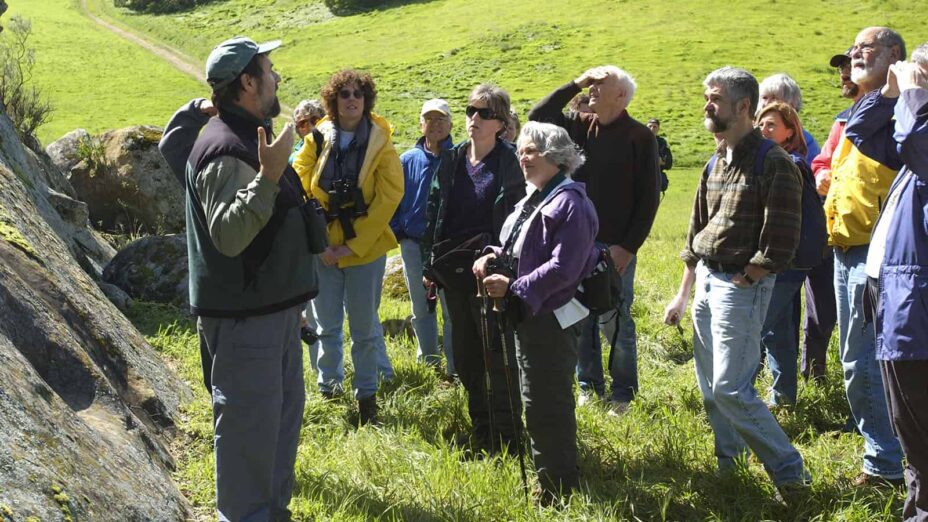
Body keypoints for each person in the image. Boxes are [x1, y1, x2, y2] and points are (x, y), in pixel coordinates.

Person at [182, 36, 318, 521]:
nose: (277, 77)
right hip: (245, 323)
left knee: (276, 430)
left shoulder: (245, 135)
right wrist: (269, 175)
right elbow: (230, 235)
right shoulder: (223, 148)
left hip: (270, 313)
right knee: (248, 438)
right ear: (247, 82)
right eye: (270, 69)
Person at [663, 66, 810, 498]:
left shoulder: (774, 161)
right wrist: (686, 289)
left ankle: (791, 474)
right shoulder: (715, 160)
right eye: (707, 97)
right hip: (709, 281)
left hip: (740, 287)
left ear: (743, 106)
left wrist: (752, 274)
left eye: (715, 98)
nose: (707, 105)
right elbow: (696, 230)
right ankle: (731, 470)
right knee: (711, 391)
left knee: (731, 388)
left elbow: (784, 233)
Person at [474, 121, 599, 503]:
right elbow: (520, 249)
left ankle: (557, 489)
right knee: (535, 397)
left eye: (531, 151)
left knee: (546, 402)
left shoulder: (570, 202)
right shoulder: (539, 196)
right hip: (531, 313)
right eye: (521, 150)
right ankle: (550, 478)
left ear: (556, 158)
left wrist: (514, 288)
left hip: (550, 317)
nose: (522, 157)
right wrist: (493, 257)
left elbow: (565, 268)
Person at [528, 65, 660, 413]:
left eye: (602, 86)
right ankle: (589, 387)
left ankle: (623, 393)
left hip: (615, 247)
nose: (593, 91)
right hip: (576, 243)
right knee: (579, 317)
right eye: (592, 86)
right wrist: (577, 82)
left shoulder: (640, 138)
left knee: (615, 318)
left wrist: (628, 247)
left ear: (621, 95)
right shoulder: (579, 127)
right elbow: (538, 115)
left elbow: (649, 198)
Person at [292, 69, 403, 425]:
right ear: (333, 101)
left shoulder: (381, 140)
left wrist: (354, 245)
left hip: (365, 252)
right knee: (325, 326)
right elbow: (296, 180)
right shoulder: (317, 137)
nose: (352, 99)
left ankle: (367, 397)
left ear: (366, 100)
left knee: (365, 328)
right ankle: (329, 390)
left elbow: (390, 196)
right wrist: (320, 239)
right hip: (323, 249)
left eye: (358, 94)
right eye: (344, 94)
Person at [421, 84, 525, 452]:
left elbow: (518, 218)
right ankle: (482, 432)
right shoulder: (451, 159)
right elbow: (434, 212)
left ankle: (509, 435)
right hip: (454, 271)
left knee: (497, 356)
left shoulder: (511, 162)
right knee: (466, 356)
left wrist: (504, 265)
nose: (473, 119)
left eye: (483, 113)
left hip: (492, 273)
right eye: (469, 111)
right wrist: (429, 266)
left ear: (501, 122)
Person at [825, 26, 906, 487]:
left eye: (865, 47)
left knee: (867, 360)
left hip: (877, 251)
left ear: (893, 54)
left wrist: (891, 87)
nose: (854, 53)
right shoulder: (863, 106)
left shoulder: (896, 108)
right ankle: (885, 455)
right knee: (856, 359)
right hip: (846, 247)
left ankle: (885, 465)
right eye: (852, 47)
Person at [868, 44, 928, 520]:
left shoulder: (921, 138)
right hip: (901, 302)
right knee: (911, 435)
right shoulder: (913, 136)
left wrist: (912, 95)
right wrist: (890, 95)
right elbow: (864, 134)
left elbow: (920, 144)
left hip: (918, 313)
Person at [801, 48, 863, 382]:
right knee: (830, 314)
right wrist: (822, 173)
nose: (843, 72)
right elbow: (822, 160)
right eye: (840, 67)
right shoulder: (843, 119)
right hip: (837, 235)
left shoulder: (897, 115)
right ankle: (816, 376)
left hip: (873, 238)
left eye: (850, 66)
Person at [754, 102, 814, 407]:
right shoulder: (778, 160)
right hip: (785, 262)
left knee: (757, 328)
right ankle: (784, 397)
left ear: (790, 131)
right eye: (760, 124)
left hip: (783, 263)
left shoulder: (789, 163)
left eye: (771, 125)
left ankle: (741, 398)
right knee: (778, 331)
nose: (762, 130)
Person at [390, 99, 455, 376]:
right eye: (429, 119)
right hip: (414, 244)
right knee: (420, 306)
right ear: (421, 124)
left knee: (452, 310)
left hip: (450, 245)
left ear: (450, 124)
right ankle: (428, 364)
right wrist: (399, 232)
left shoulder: (460, 157)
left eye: (440, 119)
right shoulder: (406, 160)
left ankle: (454, 367)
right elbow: (393, 198)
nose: (435, 124)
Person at [758, 73, 821, 165]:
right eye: (764, 98)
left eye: (774, 98)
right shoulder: (751, 131)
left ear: (791, 104)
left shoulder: (807, 143)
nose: (767, 103)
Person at [647, 118, 673, 194]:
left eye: (655, 127)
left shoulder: (662, 143)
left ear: (658, 129)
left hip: (656, 175)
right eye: (650, 126)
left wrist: (662, 162)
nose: (652, 129)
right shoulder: (639, 141)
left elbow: (669, 163)